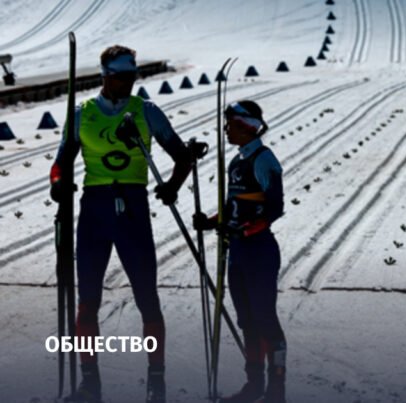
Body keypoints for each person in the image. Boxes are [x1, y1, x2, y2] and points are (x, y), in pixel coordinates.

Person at [49, 45, 192, 403]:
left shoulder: (147, 111)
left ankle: (156, 383)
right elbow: (60, 163)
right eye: (121, 77)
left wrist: (172, 186)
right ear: (105, 76)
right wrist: (58, 184)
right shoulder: (81, 114)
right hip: (94, 211)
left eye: (132, 76)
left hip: (132, 210)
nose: (128, 83)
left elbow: (182, 157)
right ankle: (90, 384)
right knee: (87, 301)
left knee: (147, 298)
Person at [193, 100, 287, 403]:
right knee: (246, 320)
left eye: (231, 124)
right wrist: (210, 222)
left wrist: (247, 230)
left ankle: (276, 389)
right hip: (237, 252)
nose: (225, 130)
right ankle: (254, 385)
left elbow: (274, 207)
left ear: (246, 126)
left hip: (259, 251)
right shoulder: (236, 161)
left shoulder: (263, 159)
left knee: (264, 317)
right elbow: (232, 206)